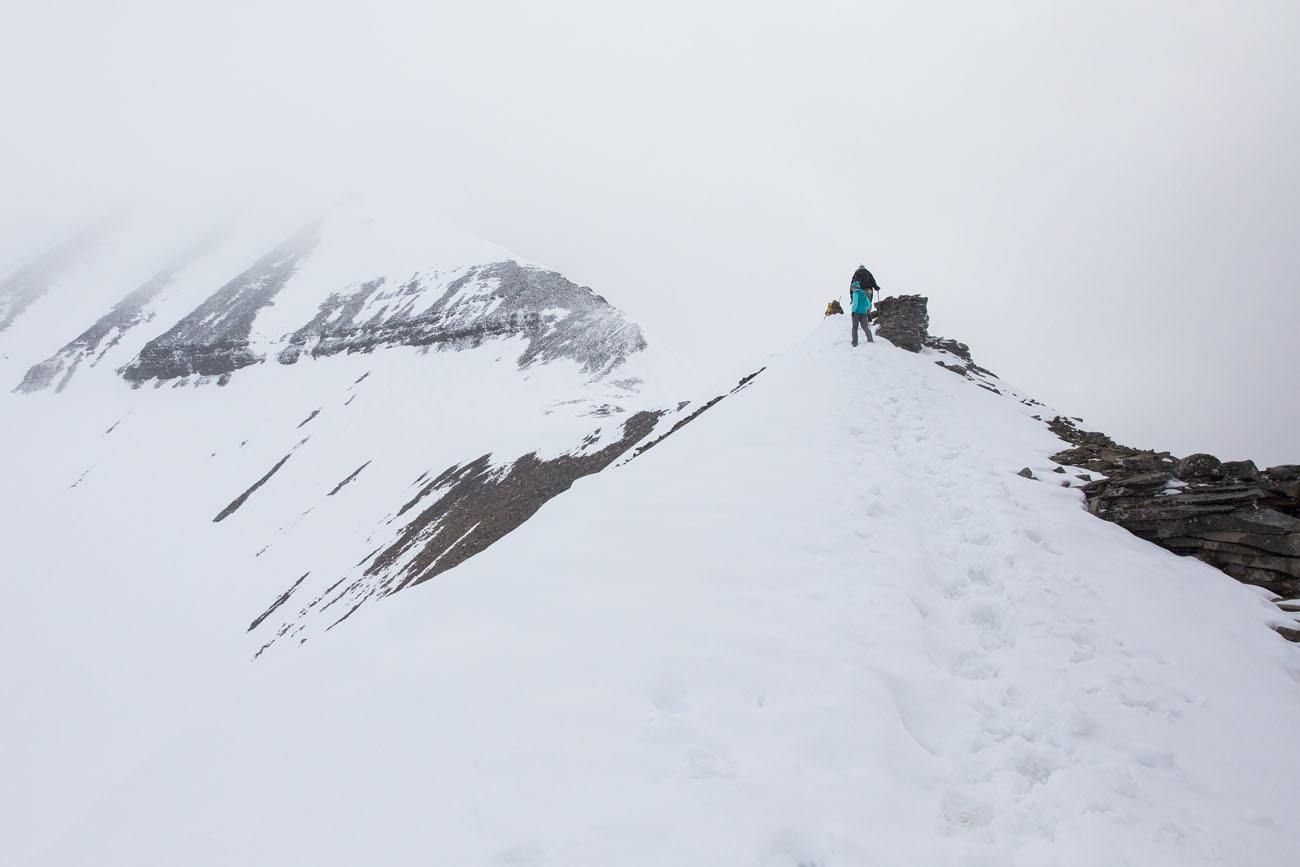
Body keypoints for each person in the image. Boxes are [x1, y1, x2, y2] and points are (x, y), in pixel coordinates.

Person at [849, 264, 877, 345]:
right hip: (864, 312)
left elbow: (855, 303)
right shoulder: (868, 273)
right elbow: (868, 303)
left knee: (855, 327)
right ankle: (870, 339)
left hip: (856, 313)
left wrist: (853, 311)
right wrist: (866, 309)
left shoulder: (855, 293)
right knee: (865, 327)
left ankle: (854, 342)